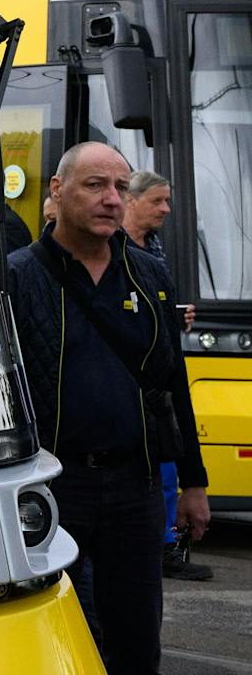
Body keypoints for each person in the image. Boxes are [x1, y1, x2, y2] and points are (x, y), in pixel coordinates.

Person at [4, 141, 211, 675]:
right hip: (50, 492)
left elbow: (168, 387)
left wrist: (192, 481)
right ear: (56, 190)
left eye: (121, 186)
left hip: (129, 486)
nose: (112, 198)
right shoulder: (17, 279)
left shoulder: (147, 276)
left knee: (136, 645)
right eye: (96, 184)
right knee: (50, 645)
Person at [122, 169, 211, 581]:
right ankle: (157, 546)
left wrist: (176, 319)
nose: (166, 210)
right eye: (157, 201)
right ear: (132, 202)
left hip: (161, 385)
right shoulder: (112, 249)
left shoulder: (155, 251)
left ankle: (165, 545)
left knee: (167, 468)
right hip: (130, 392)